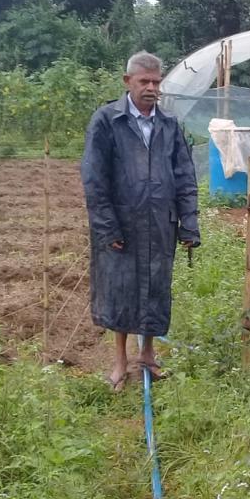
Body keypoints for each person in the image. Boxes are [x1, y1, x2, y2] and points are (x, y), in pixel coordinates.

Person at [81, 51, 200, 391]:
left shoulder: (169, 125)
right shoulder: (107, 121)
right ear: (127, 82)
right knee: (119, 290)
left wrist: (189, 224)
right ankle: (120, 361)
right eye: (144, 81)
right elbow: (94, 178)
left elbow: (184, 177)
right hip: (122, 226)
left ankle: (147, 353)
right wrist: (107, 227)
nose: (151, 88)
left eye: (156, 82)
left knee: (155, 288)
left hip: (160, 224)